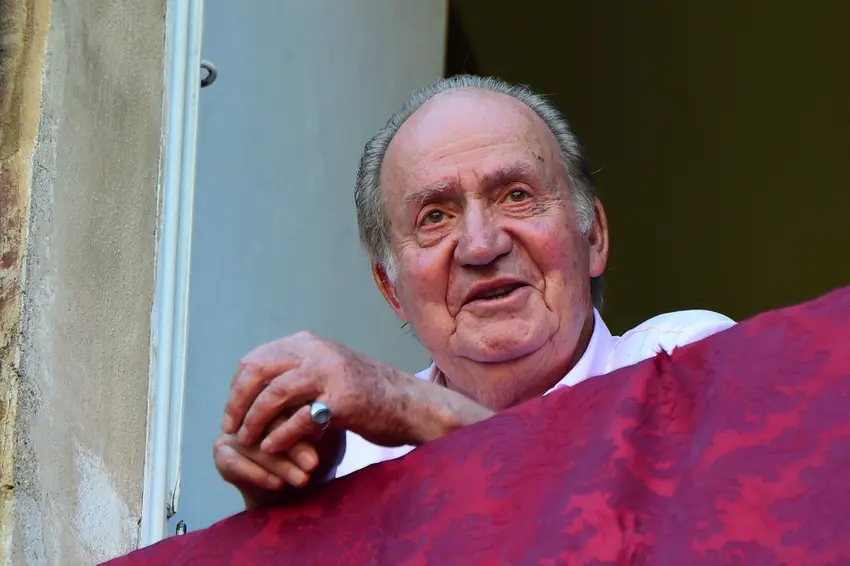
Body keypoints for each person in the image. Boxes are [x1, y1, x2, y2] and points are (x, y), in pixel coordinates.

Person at [213, 75, 735, 508]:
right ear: (391, 289)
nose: (481, 246)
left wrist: (414, 411)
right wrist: (286, 521)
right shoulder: (352, 465)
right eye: (435, 217)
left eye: (516, 195)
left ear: (593, 236)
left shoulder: (685, 359)